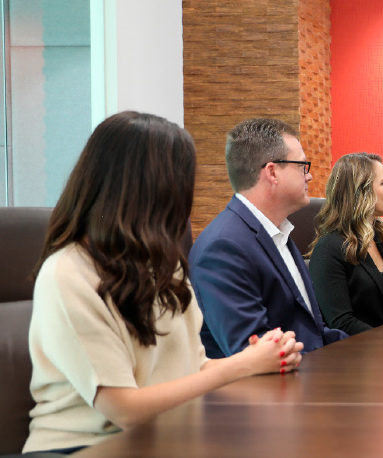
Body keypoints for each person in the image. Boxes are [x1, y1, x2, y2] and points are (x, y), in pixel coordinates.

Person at [24, 112, 303, 454]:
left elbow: (193, 366)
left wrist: (265, 356)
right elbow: (124, 408)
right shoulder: (66, 273)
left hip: (166, 437)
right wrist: (244, 364)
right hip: (84, 447)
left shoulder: (164, 268)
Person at [190, 118, 347, 358]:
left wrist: (372, 350)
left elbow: (314, 334)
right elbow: (253, 355)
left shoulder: (278, 233)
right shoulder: (223, 248)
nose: (310, 176)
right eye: (302, 166)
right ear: (272, 172)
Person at [308, 153, 383, 335]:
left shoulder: (382, 240)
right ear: (360, 191)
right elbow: (341, 323)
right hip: (355, 356)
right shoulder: (328, 249)